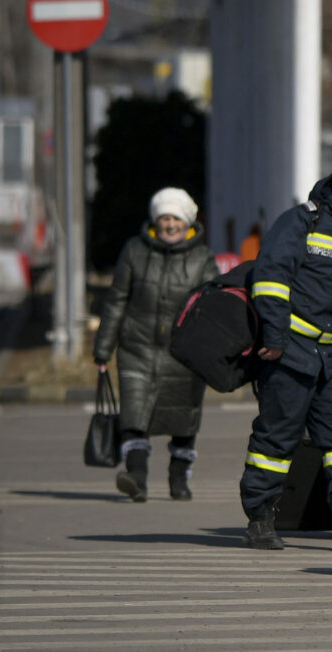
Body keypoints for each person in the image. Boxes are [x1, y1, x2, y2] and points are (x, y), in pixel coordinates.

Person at [240, 154, 332, 552]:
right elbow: (270, 277)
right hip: (291, 354)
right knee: (277, 438)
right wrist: (274, 335)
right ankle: (260, 518)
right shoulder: (301, 222)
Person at [93, 187, 219, 503]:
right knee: (134, 419)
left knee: (184, 420)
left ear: (188, 222)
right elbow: (116, 301)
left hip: (184, 355)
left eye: (176, 218)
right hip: (137, 350)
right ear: (155, 220)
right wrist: (102, 349)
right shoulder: (134, 251)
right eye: (164, 218)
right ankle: (136, 479)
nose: (170, 224)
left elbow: (215, 307)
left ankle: (179, 479)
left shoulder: (202, 259)